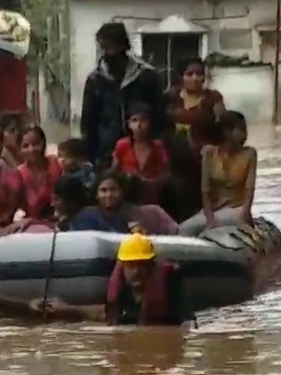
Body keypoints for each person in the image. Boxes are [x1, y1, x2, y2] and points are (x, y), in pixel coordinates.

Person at [30, 233, 195, 326]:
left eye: (141, 264)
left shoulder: (169, 282)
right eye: (131, 265)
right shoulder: (121, 289)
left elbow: (188, 321)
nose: (136, 271)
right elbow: (106, 314)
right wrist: (64, 309)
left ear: (151, 266)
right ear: (122, 266)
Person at [80, 22, 168, 168]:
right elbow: (88, 121)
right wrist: (89, 155)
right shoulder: (95, 79)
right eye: (103, 47)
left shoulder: (146, 75)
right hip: (106, 152)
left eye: (111, 47)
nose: (107, 53)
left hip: (142, 152)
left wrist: (157, 143)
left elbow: (159, 114)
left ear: (123, 46)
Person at [178, 111, 256, 235]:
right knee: (183, 229)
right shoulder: (208, 153)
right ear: (227, 132)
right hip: (212, 210)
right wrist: (210, 220)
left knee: (227, 221)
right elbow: (205, 190)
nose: (245, 135)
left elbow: (249, 191)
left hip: (236, 209)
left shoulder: (249, 154)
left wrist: (244, 215)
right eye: (241, 130)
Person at [69, 170, 181, 235]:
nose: (109, 195)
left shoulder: (144, 213)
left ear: (122, 192)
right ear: (96, 195)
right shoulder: (85, 217)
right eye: (103, 190)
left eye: (114, 190)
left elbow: (175, 234)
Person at [111, 102, 170, 205]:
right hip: (126, 197)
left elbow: (167, 174)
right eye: (134, 120)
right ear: (128, 124)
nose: (139, 125)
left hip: (152, 198)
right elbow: (114, 172)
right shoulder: (123, 145)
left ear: (150, 123)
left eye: (143, 120)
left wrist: (151, 183)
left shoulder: (158, 146)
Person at [167, 58, 226, 151]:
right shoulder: (171, 96)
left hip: (206, 154)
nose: (195, 78)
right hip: (173, 154)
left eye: (199, 74)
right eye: (189, 74)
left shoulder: (213, 98)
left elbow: (223, 126)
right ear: (181, 77)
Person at [15, 124, 62, 221]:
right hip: (35, 225)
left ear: (44, 143)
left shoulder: (56, 163)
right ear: (19, 150)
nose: (31, 149)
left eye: (36, 144)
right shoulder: (18, 174)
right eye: (25, 146)